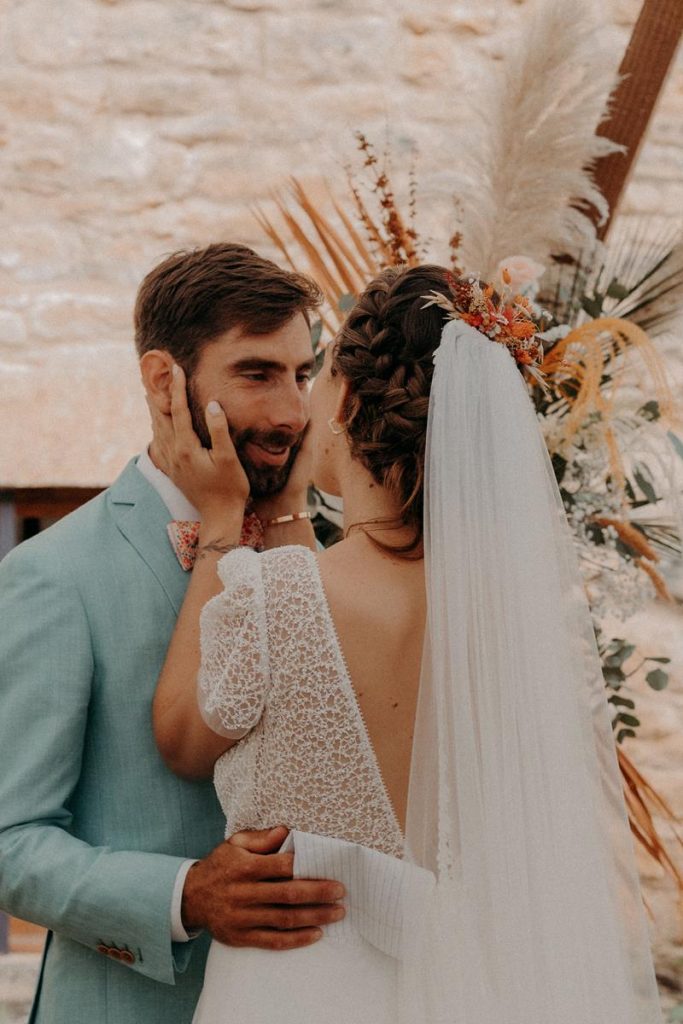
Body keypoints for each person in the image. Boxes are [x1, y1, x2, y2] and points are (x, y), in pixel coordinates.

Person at [152, 263, 664, 1023]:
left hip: (291, 992)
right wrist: (291, 509)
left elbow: (182, 742)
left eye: (315, 377)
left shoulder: (274, 594)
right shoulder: (506, 626)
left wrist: (224, 523)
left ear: (350, 400)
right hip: (462, 987)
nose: (299, 406)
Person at [0, 243, 347, 1024]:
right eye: (257, 374)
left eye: (303, 373)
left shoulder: (330, 547)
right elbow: (9, 840)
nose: (292, 413)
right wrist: (184, 893)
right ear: (165, 382)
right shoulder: (54, 573)